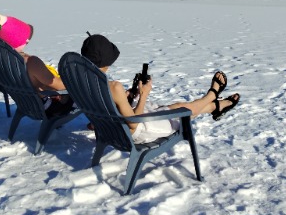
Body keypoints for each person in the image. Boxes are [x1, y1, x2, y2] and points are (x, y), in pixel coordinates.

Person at [80, 33, 240, 144]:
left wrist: (125, 97)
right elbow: (133, 124)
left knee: (177, 106)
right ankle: (211, 96)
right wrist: (143, 95)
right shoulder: (114, 87)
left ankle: (216, 107)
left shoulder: (81, 81)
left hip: (109, 128)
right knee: (184, 111)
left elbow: (103, 107)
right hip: (135, 133)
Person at [0, 13, 74, 116]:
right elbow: (58, 85)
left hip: (24, 105)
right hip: (46, 109)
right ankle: (95, 123)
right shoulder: (31, 62)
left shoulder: (4, 60)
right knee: (80, 95)